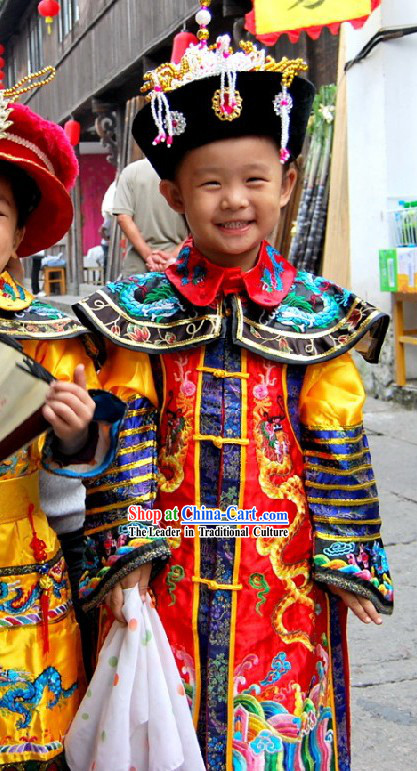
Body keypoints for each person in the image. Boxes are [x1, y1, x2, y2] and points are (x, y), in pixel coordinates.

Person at [73, 21, 393, 771]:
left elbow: (334, 433)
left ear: (285, 185)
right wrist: (127, 554)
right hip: (171, 566)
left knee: (275, 729)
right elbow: (129, 427)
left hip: (279, 571)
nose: (233, 200)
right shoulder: (141, 313)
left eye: (253, 179)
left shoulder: (316, 313)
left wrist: (346, 555)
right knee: (167, 726)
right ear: (173, 192)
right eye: (210, 182)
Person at [0, 88, 128, 769]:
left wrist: (76, 434)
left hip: (23, 552)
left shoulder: (52, 334)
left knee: (37, 744)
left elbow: (87, 455)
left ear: (19, 231)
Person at [112, 156, 188, 276]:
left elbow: (123, 218)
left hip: (138, 267)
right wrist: (172, 257)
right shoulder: (186, 171)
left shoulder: (130, 172)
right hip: (182, 263)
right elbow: (201, 224)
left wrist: (149, 256)